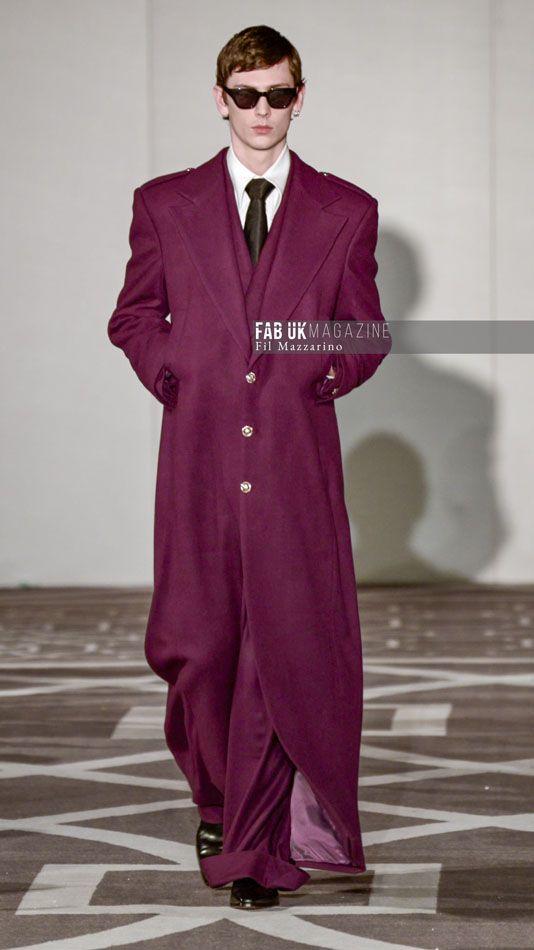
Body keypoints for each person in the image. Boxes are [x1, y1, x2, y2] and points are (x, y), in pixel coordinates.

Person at [108, 24, 390, 910]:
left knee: (280, 648)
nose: (261, 110)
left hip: (293, 461)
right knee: (196, 648)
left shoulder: (346, 210)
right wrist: (175, 370)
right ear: (220, 99)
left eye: (277, 94)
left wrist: (319, 372)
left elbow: (365, 329)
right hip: (197, 460)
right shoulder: (165, 204)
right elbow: (134, 314)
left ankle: (254, 846)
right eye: (245, 95)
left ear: (299, 99)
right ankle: (216, 799)